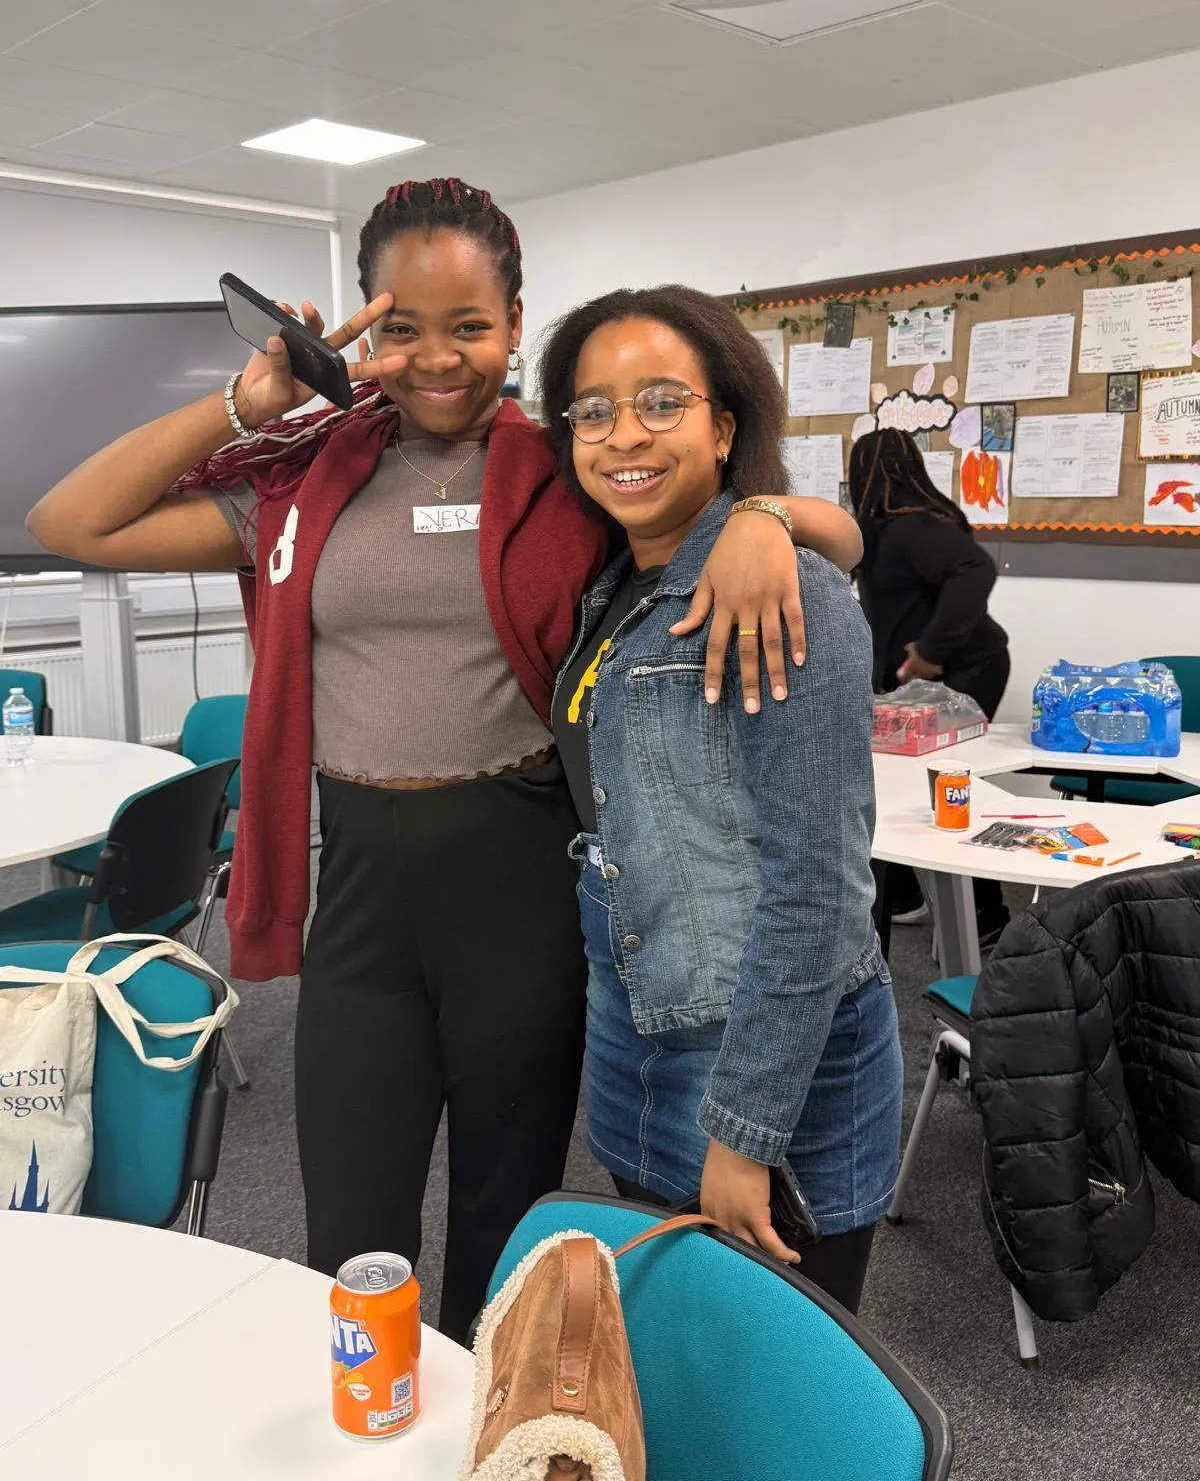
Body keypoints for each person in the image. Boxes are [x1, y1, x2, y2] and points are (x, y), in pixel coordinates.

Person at [26, 179, 863, 1342]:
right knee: (348, 1238)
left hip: (521, 887)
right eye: (403, 327)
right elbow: (71, 522)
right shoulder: (300, 477)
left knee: (501, 1230)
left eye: (468, 325)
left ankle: (481, 1420)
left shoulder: (570, 465)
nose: (435, 358)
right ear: (360, 328)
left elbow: (785, 521)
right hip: (363, 897)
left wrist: (770, 520)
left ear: (515, 324)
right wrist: (244, 403)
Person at [540, 285, 902, 1315]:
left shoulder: (788, 593)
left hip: (768, 1060)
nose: (625, 434)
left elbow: (820, 889)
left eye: (662, 401)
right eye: (595, 410)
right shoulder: (614, 588)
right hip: (636, 1030)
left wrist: (746, 1130)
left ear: (724, 426)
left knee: (775, 1371)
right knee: (675, 1343)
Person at [847, 427, 1011, 940]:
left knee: (948, 784)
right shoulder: (881, 530)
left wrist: (930, 652)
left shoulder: (911, 527)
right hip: (920, 680)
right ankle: (906, 896)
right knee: (901, 782)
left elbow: (976, 569)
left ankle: (984, 915)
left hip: (969, 667)